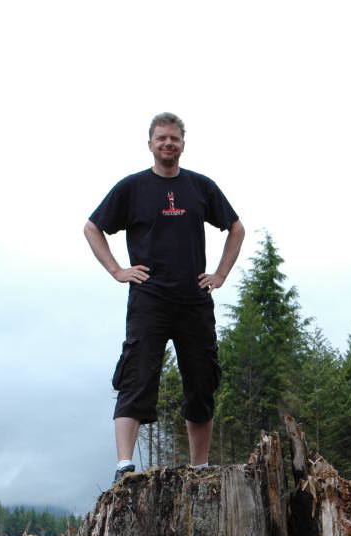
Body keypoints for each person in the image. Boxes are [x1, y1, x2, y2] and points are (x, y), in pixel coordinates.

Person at [83, 112, 245, 482]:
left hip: (194, 300)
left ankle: (200, 468)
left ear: (183, 144)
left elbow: (236, 228)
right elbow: (92, 227)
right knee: (136, 376)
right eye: (161, 138)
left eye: (174, 138)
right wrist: (117, 270)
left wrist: (220, 274)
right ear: (151, 144)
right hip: (149, 300)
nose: (168, 144)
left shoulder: (200, 187)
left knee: (201, 381)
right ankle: (125, 465)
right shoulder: (132, 188)